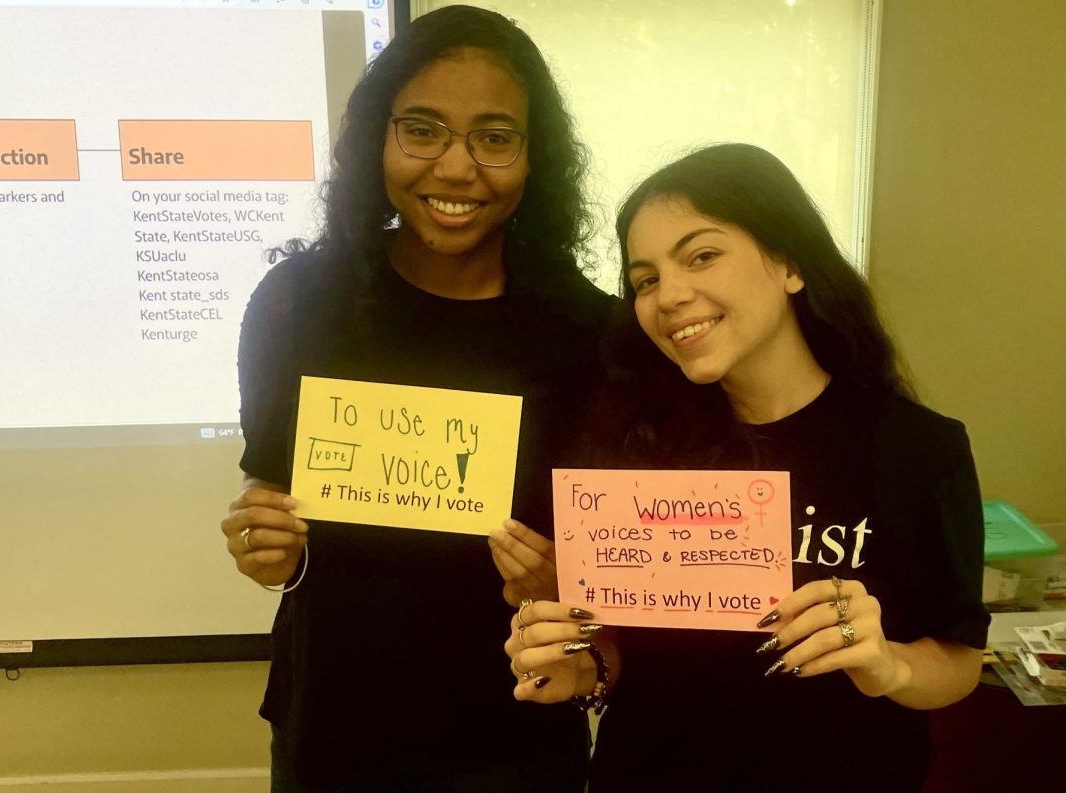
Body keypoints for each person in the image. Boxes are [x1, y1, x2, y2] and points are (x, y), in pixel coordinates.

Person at [501, 143, 989, 792]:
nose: (669, 295)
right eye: (645, 279)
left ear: (788, 261)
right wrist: (581, 662)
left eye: (702, 255)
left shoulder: (919, 450)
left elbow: (959, 658)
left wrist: (889, 665)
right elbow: (619, 649)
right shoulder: (632, 453)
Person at [220, 6, 613, 791]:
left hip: (512, 737)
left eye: (495, 137)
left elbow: (609, 562)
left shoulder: (591, 334)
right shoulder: (299, 303)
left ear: (536, 160)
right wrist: (261, 544)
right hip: (335, 727)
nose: (457, 168)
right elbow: (271, 501)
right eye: (423, 129)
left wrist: (572, 585)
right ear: (380, 138)